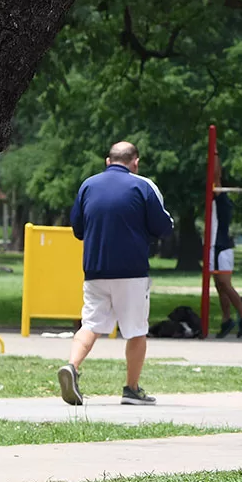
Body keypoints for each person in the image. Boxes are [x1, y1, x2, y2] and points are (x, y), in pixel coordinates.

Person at [57, 141, 174, 406]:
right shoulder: (143, 185)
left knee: (91, 324)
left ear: (108, 161)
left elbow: (78, 229)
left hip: (95, 269)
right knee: (135, 330)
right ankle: (131, 389)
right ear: (135, 162)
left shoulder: (88, 185)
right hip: (131, 271)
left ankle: (72, 366)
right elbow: (164, 226)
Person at [208, 169, 242, 337]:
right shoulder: (218, 201)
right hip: (215, 247)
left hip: (221, 247)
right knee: (220, 286)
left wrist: (215, 151)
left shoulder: (221, 198)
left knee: (225, 284)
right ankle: (227, 320)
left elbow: (216, 174)